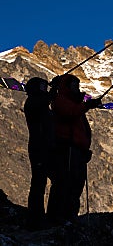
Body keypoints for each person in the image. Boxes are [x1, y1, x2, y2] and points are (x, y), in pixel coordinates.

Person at [47, 74, 101, 223]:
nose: (77, 89)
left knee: (75, 186)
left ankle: (69, 217)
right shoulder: (61, 100)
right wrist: (87, 105)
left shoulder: (73, 103)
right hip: (67, 149)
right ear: (66, 87)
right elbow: (68, 113)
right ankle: (58, 218)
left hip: (77, 151)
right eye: (74, 86)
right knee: (65, 184)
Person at [23, 77, 54, 230]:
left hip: (41, 146)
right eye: (43, 86)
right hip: (39, 147)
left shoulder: (37, 102)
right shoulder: (33, 102)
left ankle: (37, 217)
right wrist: (53, 91)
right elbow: (44, 102)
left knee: (40, 183)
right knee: (38, 184)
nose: (45, 89)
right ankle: (35, 219)